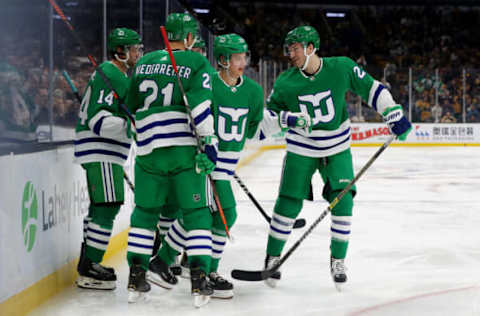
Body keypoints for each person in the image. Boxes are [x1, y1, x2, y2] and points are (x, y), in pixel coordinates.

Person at [262, 25, 412, 291]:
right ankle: (273, 257)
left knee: (343, 202)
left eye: (295, 48)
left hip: (337, 148)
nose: (290, 54)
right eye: (289, 49)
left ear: (311, 48)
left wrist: (392, 111)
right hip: (301, 149)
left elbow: (372, 89)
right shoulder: (285, 82)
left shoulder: (341, 67)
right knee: (287, 204)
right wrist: (286, 119)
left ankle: (338, 260)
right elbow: (266, 122)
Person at [152, 33, 264, 299]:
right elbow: (190, 118)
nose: (242, 62)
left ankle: (169, 262)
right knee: (225, 213)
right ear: (223, 59)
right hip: (202, 161)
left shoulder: (253, 91)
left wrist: (286, 121)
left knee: (209, 215)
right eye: (237, 57)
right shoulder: (207, 84)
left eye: (244, 56)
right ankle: (199, 269)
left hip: (224, 165)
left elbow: (254, 132)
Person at [124, 13, 217, 307]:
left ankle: (136, 274)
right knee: (197, 212)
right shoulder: (196, 61)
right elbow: (200, 108)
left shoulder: (143, 62)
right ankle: (200, 279)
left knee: (145, 212)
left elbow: (130, 107)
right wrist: (209, 143)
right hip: (183, 150)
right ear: (189, 38)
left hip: (149, 150)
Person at [73, 28, 142, 290]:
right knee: (108, 204)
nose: (137, 53)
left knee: (102, 206)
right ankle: (90, 267)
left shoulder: (116, 74)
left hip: (106, 151)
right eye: (133, 49)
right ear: (119, 52)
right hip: (100, 149)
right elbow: (97, 119)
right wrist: (133, 126)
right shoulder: (110, 74)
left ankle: (87, 263)